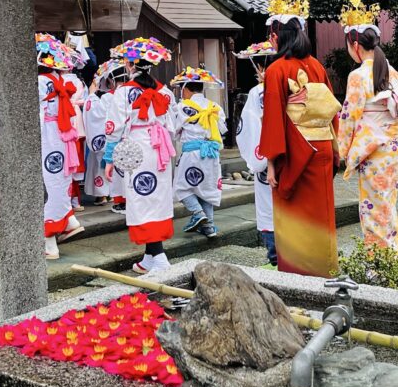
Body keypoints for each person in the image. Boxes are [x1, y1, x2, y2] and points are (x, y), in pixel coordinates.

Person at [259, 0, 341, 277]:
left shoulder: (276, 69)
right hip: (321, 148)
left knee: (294, 215)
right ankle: (326, 269)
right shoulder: (316, 65)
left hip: (295, 152)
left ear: (277, 36)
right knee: (321, 214)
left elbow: (273, 119)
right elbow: (332, 111)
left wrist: (270, 163)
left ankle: (299, 275)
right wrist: (335, 149)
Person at [336, 0, 398, 254]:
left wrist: (342, 151)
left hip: (373, 149)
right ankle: (397, 258)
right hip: (392, 146)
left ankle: (382, 265)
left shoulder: (358, 75)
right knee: (385, 204)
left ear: (354, 45)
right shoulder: (393, 72)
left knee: (372, 208)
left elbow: (349, 117)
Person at [103, 37, 177, 275]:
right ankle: (149, 257)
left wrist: (109, 158)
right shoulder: (164, 91)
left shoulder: (124, 92)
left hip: (137, 149)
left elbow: (114, 127)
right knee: (156, 197)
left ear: (131, 64)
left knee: (141, 198)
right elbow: (172, 124)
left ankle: (160, 256)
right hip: (160, 148)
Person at [36, 33, 87, 259]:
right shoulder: (60, 80)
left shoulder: (40, 82)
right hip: (62, 134)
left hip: (48, 135)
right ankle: (70, 220)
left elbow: (34, 112)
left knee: (49, 185)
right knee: (59, 179)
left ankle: (50, 243)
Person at [171, 66, 227, 239]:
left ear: (186, 89)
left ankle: (198, 213)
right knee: (207, 189)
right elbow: (222, 129)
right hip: (211, 153)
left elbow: (174, 131)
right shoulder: (215, 106)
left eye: (182, 89)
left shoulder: (182, 107)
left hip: (192, 154)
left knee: (181, 187)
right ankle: (209, 227)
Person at [234, 41, 277, 265]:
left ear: (259, 68)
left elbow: (247, 129)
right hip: (288, 154)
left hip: (266, 155)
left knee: (267, 206)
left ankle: (274, 257)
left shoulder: (257, 92)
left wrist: (256, 159)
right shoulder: (289, 86)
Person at [83, 60, 126, 206]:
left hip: (111, 137)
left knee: (102, 161)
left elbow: (97, 114)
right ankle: (117, 196)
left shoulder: (109, 97)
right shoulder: (130, 92)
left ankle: (102, 194)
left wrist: (91, 95)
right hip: (128, 137)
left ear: (110, 79)